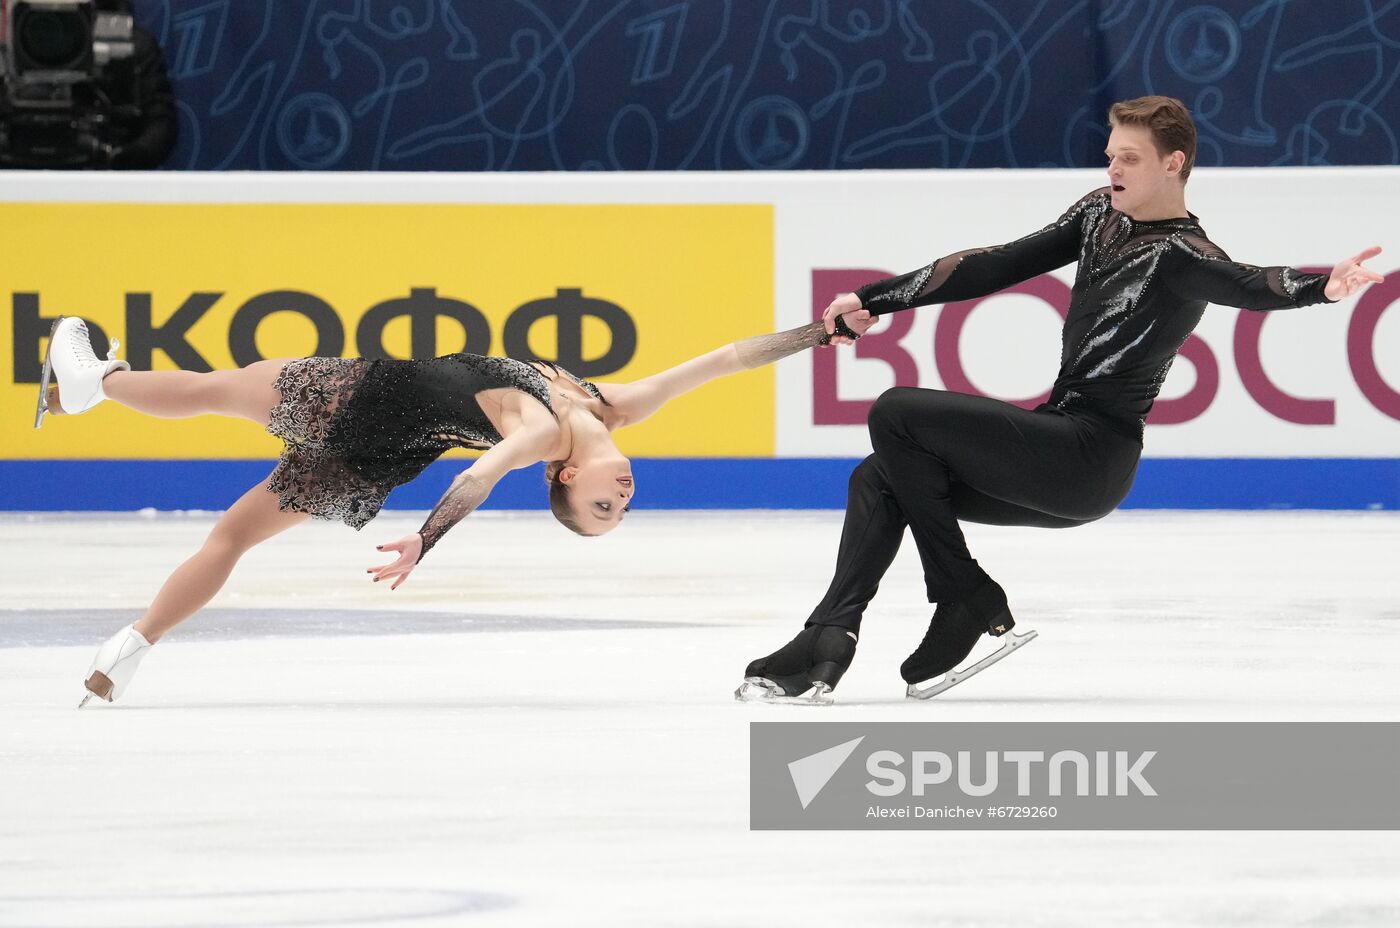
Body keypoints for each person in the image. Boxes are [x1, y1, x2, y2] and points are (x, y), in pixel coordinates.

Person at [736, 95, 1385, 705]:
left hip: (1090, 460)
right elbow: (992, 265)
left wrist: (1322, 285)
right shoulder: (1098, 213)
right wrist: (875, 298)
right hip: (1056, 438)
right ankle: (829, 634)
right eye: (1110, 155)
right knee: (879, 476)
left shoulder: (1185, 254)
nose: (1113, 167)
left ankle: (965, 594)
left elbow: (1250, 282)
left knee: (896, 412)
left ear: (1173, 163)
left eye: (1129, 157)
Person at [36, 311, 869, 706]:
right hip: (386, 452)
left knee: (212, 389)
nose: (623, 499)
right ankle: (127, 651)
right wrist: (815, 336)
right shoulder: (615, 406)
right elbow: (724, 356)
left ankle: (94, 384)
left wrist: (425, 545)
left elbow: (479, 478)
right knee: (233, 535)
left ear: (563, 482)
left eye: (601, 511)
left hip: (362, 402)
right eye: (620, 507)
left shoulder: (544, 435)